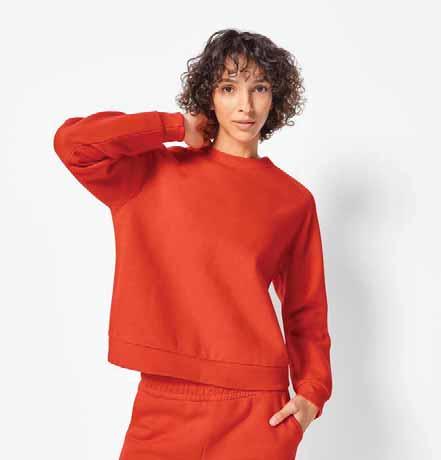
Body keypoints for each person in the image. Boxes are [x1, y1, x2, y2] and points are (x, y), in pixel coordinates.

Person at [53, 28, 332, 460]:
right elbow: (73, 144)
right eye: (229, 88)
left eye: (259, 88)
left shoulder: (293, 200)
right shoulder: (152, 173)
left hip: (257, 409)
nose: (245, 105)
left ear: (276, 97)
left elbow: (305, 309)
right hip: (164, 403)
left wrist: (312, 392)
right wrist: (174, 126)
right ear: (209, 96)